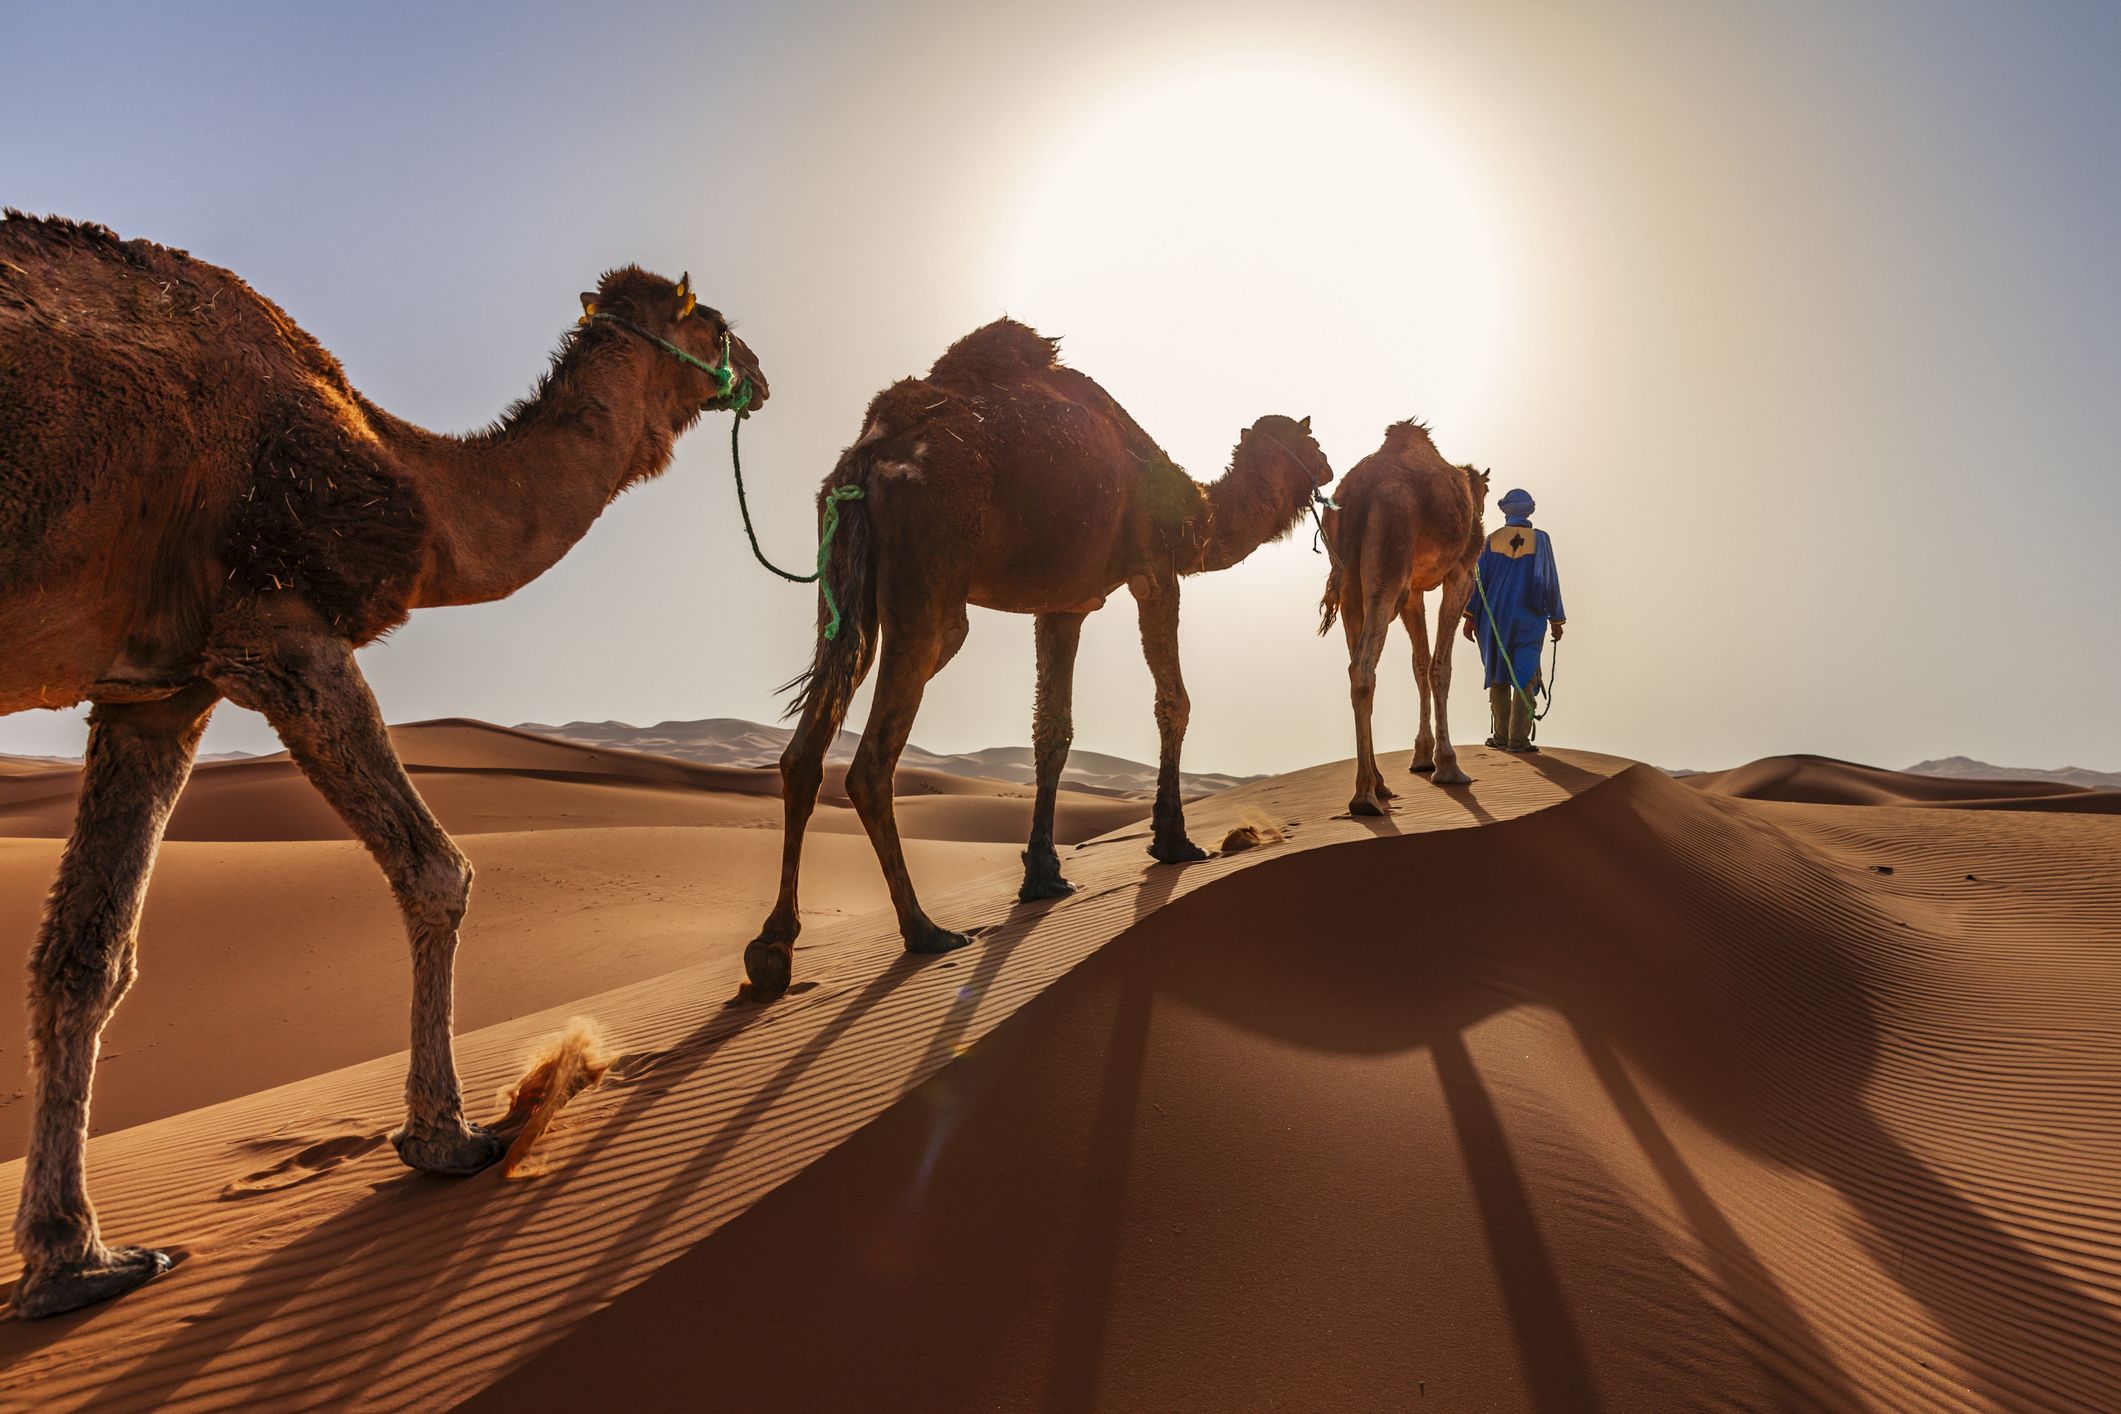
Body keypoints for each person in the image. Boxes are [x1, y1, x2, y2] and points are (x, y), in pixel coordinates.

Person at [1462, 487, 1565, 752]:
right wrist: (1556, 619)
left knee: (1498, 674)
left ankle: (1501, 737)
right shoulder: (1541, 541)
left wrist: (1470, 618)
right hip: (1529, 618)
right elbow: (1550, 580)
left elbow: (1477, 582)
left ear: (1506, 511)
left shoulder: (1491, 540)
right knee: (1525, 674)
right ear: (1529, 510)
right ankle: (1518, 740)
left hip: (1493, 619)